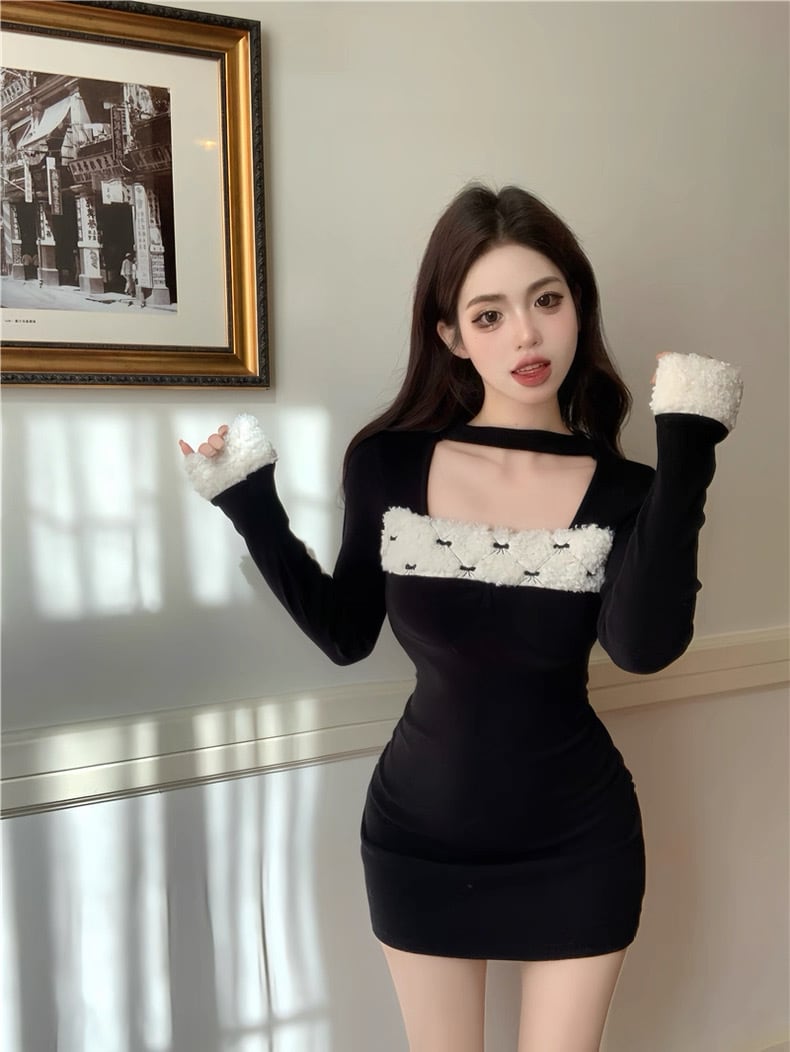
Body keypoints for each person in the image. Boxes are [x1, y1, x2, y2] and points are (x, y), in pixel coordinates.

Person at [179, 184, 743, 1052]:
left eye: (546, 301)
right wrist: (247, 501)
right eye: (489, 315)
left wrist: (688, 448)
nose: (525, 337)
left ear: (578, 307)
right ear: (450, 334)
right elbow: (345, 635)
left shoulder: (627, 490)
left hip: (579, 846)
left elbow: (641, 647)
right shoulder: (388, 464)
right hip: (419, 842)